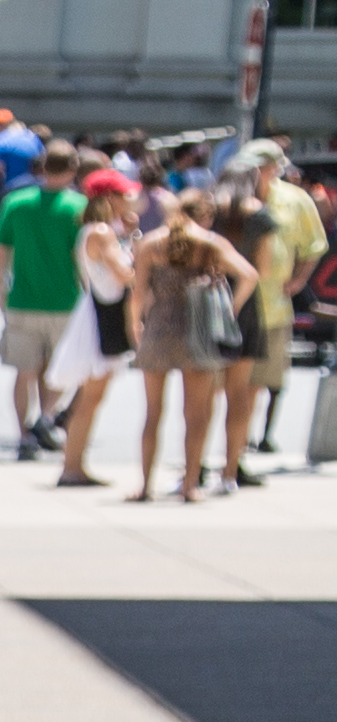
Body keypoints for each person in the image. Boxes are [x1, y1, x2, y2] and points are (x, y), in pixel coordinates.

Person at [121, 184, 257, 499]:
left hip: (158, 330)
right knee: (196, 414)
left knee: (153, 413)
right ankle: (189, 486)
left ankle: (144, 486)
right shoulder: (210, 243)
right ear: (206, 214)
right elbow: (249, 274)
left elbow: (138, 294)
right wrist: (230, 309)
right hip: (198, 332)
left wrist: (135, 327)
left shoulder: (151, 244)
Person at [0, 139, 87, 460]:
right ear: (72, 169)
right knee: (57, 371)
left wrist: (1, 290)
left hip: (22, 298)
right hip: (65, 300)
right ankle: (46, 419)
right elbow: (81, 256)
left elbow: (0, 252)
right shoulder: (78, 207)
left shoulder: (17, 202)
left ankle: (24, 434)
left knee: (24, 372)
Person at [238, 141, 321, 476]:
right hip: (230, 307)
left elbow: (313, 245)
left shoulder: (294, 200)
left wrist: (299, 280)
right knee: (222, 385)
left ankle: (237, 454)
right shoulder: (231, 197)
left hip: (272, 308)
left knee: (257, 385)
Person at [55, 182, 138, 488]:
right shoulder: (101, 232)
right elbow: (125, 274)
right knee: (91, 396)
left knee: (91, 396)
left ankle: (74, 464)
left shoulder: (97, 230)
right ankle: (72, 466)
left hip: (99, 310)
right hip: (103, 314)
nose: (131, 201)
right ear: (110, 197)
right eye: (125, 195)